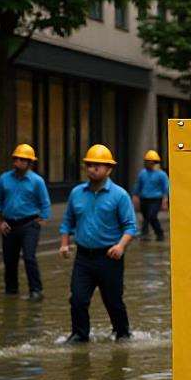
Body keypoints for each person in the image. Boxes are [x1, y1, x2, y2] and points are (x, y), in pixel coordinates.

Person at [59, 145, 138, 343]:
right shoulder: (76, 193)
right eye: (89, 165)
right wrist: (64, 243)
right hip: (84, 257)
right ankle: (80, 334)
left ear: (108, 169)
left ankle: (122, 333)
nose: (93, 169)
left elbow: (130, 227)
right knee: (77, 299)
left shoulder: (120, 195)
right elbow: (67, 221)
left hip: (110, 257)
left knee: (113, 301)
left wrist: (120, 246)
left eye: (98, 165)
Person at [0, 143, 51, 301]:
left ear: (30, 163)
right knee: (9, 260)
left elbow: (45, 204)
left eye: (23, 159)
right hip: (9, 224)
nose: (18, 161)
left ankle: (36, 290)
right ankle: (11, 290)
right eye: (16, 158)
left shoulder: (37, 181)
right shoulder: (4, 179)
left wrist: (41, 221)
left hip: (29, 224)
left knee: (29, 257)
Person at [132, 150, 170, 241]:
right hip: (144, 199)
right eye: (147, 161)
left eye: (150, 161)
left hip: (156, 199)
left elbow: (165, 188)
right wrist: (135, 197)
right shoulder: (143, 173)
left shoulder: (161, 174)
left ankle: (159, 233)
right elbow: (138, 186)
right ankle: (145, 235)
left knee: (152, 216)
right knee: (145, 218)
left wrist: (165, 201)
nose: (148, 163)